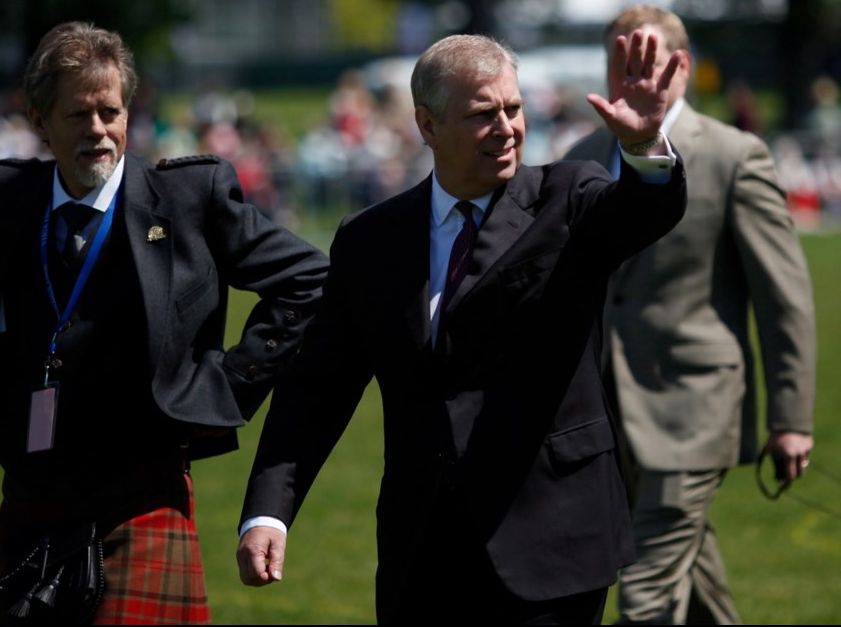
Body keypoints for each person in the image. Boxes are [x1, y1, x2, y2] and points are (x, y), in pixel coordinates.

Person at [236, 31, 687, 624]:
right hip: (423, 549)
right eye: (482, 114)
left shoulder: (569, 197)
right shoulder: (370, 241)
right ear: (426, 125)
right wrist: (268, 511)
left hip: (552, 540)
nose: (506, 128)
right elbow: (317, 387)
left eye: (514, 108)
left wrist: (647, 146)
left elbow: (643, 212)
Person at [0, 21, 328, 625]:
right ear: (39, 122)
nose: (98, 130)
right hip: (32, 490)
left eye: (110, 111)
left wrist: (228, 382)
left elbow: (308, 279)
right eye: (78, 115)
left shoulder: (185, 198)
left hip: (142, 490)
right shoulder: (4, 198)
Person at [563, 4, 816, 625]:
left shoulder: (735, 155)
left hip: (694, 410)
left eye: (647, 61)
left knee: (645, 594)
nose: (633, 77)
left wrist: (791, 418)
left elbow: (784, 297)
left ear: (682, 65)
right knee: (693, 580)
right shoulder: (583, 153)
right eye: (620, 62)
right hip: (606, 416)